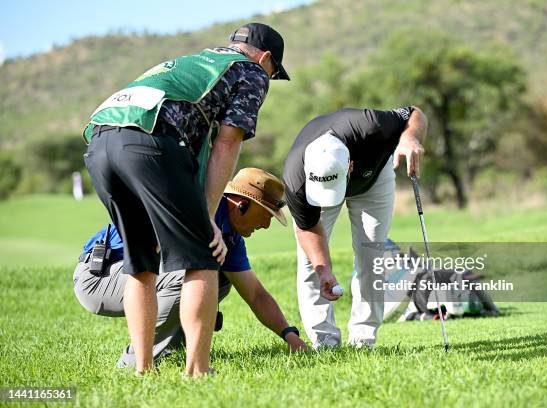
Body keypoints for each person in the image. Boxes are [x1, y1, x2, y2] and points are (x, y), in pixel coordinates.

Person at [82, 23, 289, 376]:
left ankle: (143, 370)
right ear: (266, 57)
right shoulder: (251, 71)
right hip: (150, 142)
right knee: (204, 256)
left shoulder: (196, 61)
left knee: (141, 262)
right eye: (273, 70)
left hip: (99, 141)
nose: (269, 76)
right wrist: (206, 216)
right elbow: (227, 142)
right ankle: (198, 371)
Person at [74, 168, 308, 368]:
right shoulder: (194, 209)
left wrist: (289, 335)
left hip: (138, 278)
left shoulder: (231, 238)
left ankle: (169, 351)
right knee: (192, 273)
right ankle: (135, 361)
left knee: (217, 277)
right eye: (266, 215)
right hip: (99, 276)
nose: (266, 225)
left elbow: (256, 294)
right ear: (241, 205)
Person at [283, 106, 428, 349]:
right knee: (310, 263)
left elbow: (416, 113)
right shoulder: (296, 180)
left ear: (350, 164)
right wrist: (324, 270)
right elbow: (307, 227)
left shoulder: (374, 125)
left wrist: (410, 136)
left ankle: (363, 339)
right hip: (315, 184)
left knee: (371, 254)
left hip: (374, 176)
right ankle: (325, 341)